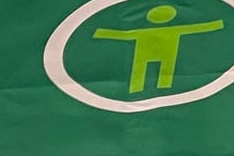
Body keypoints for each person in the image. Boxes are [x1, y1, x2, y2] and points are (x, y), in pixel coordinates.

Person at [92, 5, 225, 92]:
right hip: (162, 54)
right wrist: (216, 24)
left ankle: (147, 87)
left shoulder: (141, 32)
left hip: (152, 54)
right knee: (148, 70)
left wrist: (102, 33)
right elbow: (196, 28)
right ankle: (154, 87)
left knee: (143, 71)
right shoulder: (172, 29)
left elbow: (123, 35)